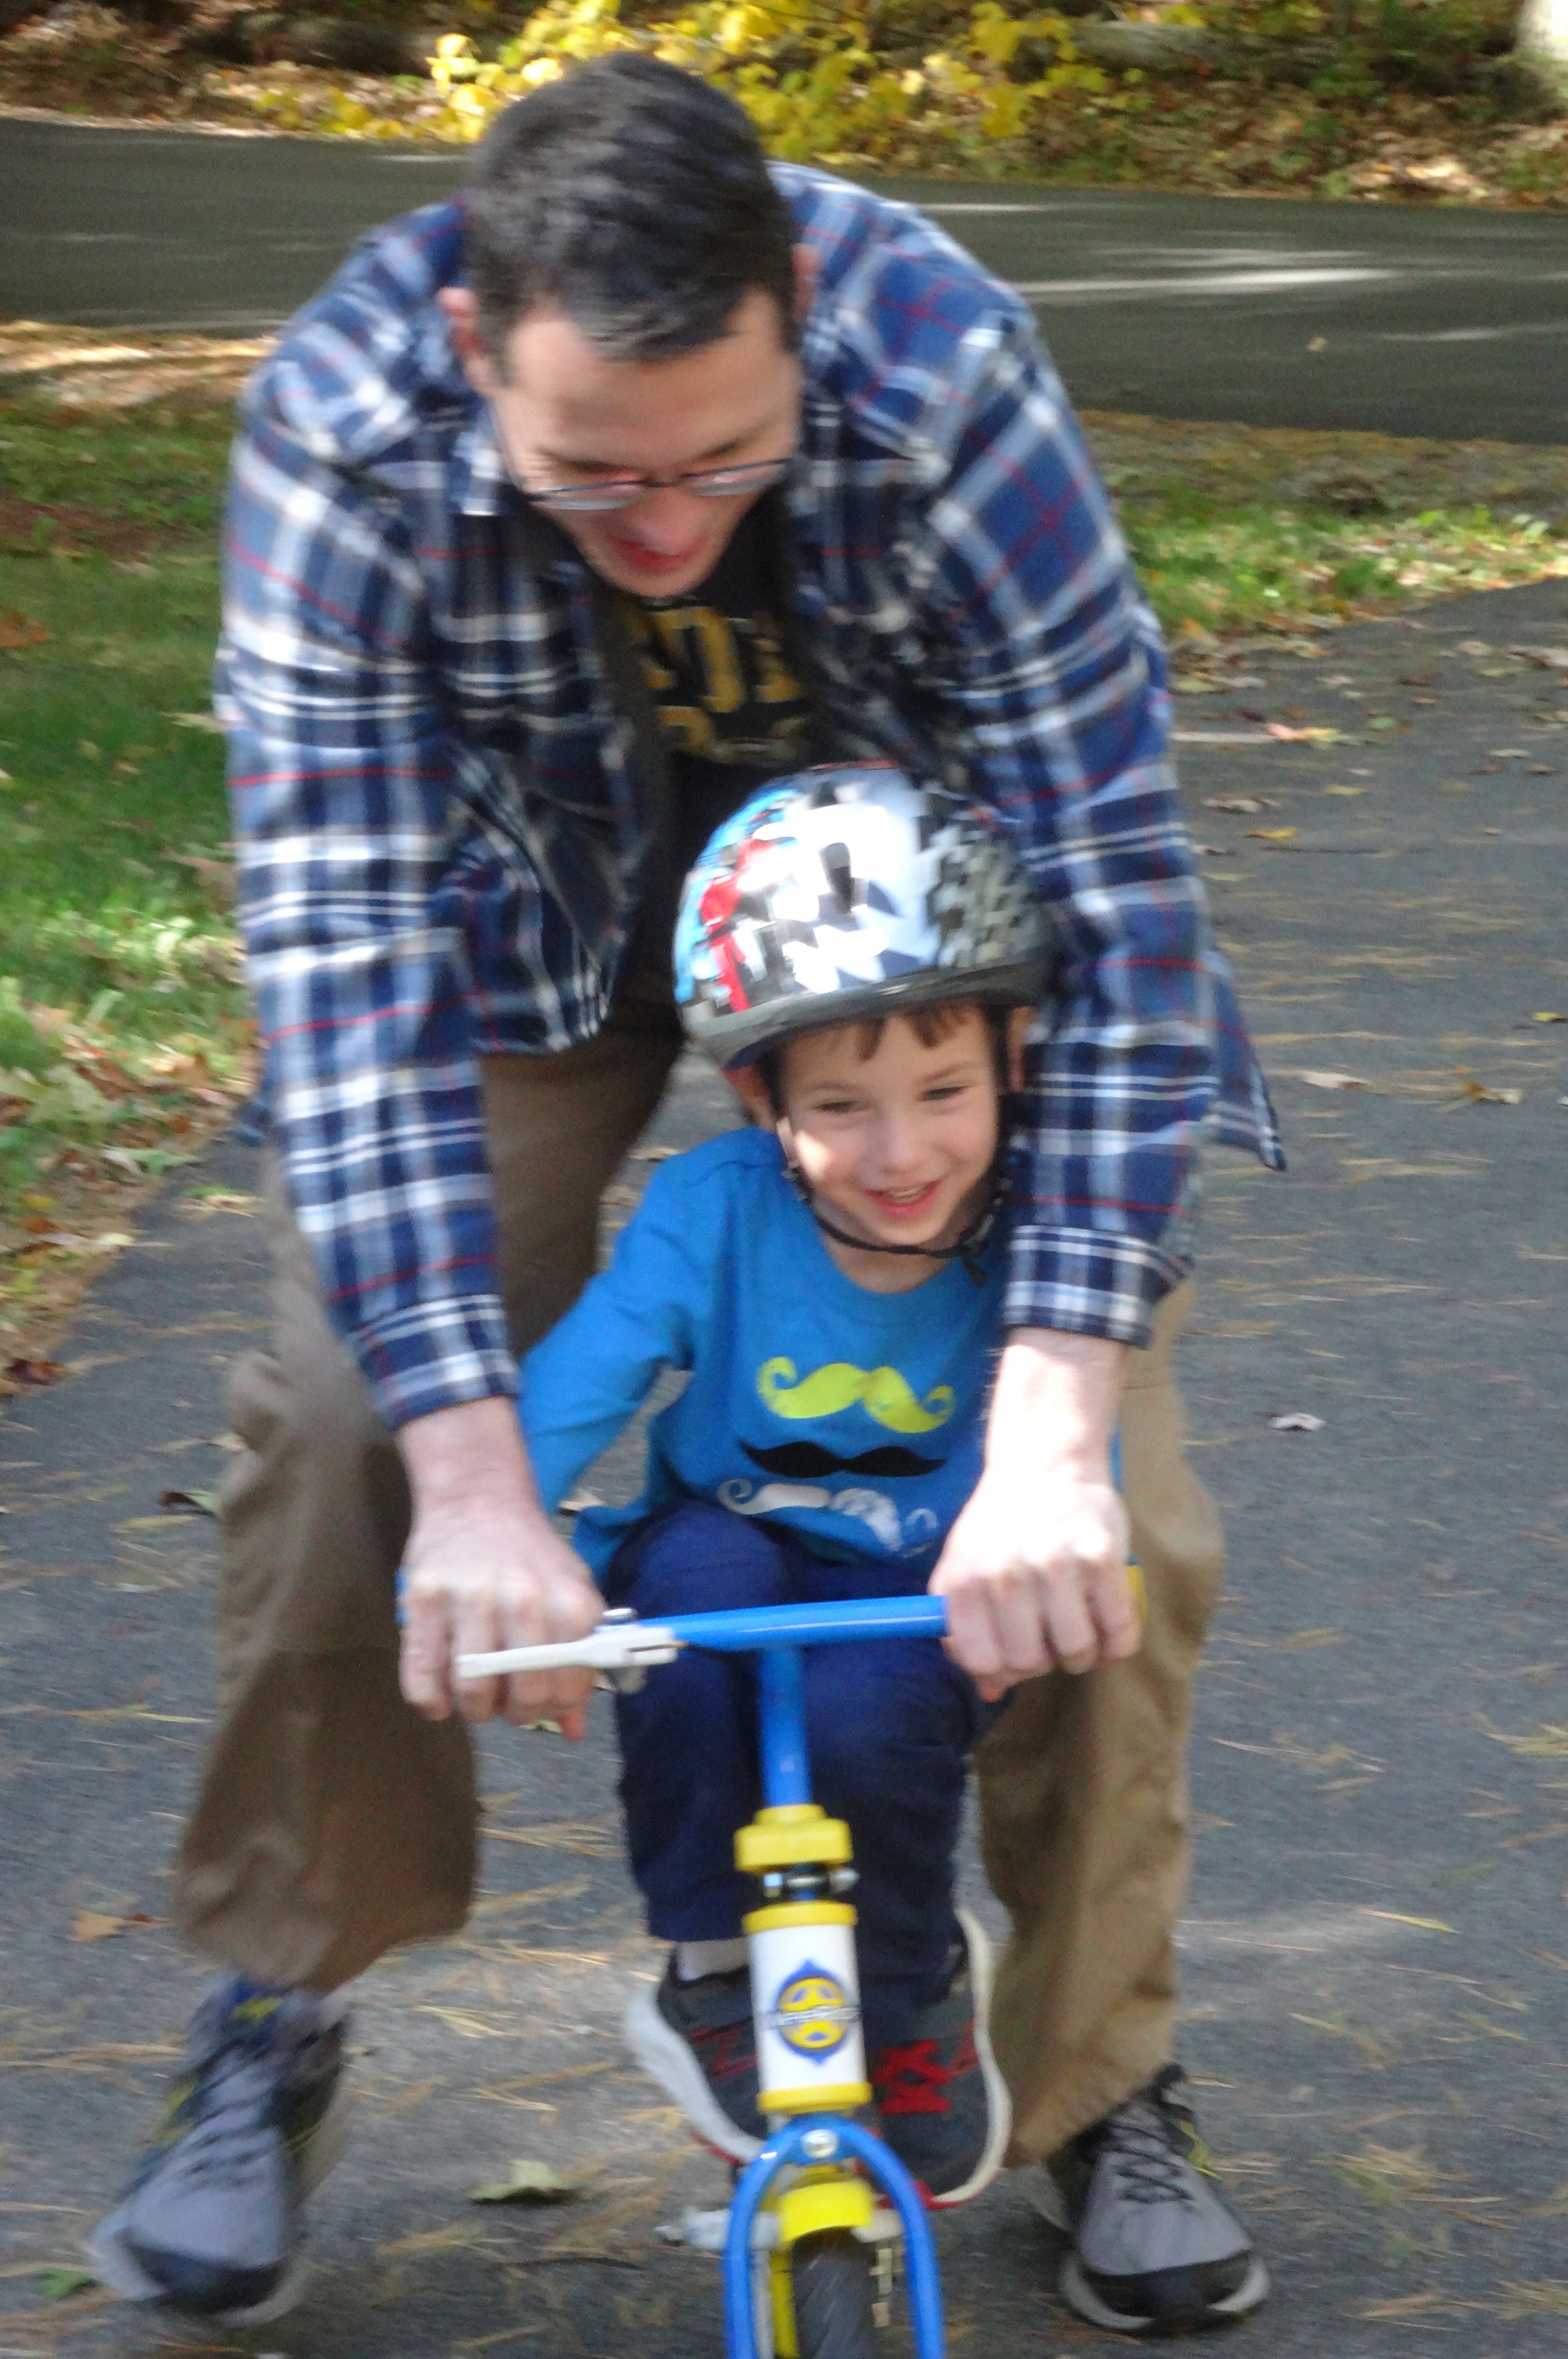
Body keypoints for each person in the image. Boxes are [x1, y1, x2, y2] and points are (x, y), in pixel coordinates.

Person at [88, 53, 1282, 2339]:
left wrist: (1044, 1429)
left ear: (798, 316)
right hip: (525, 932)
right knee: (352, 1425)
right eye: (592, 475)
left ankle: (1095, 2076)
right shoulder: (345, 427)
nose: (663, 527)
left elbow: (1119, 906)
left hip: (917, 964)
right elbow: (343, 959)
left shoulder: (944, 378)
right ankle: (284, 2000)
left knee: (1104, 1518)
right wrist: (477, 1483)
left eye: (724, 460)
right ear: (474, 352)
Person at [520, 768, 1049, 2211]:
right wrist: (493, 1548)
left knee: (873, 1716)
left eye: (945, 1091)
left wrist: (1068, 1547)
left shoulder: (1036, 1226)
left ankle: (909, 1987)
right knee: (689, 1633)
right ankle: (711, 1966)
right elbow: (582, 1383)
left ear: (1012, 1057)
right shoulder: (714, 1208)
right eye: (839, 1105)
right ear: (761, 1098)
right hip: (727, 1539)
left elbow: (1072, 1426)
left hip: (920, 1574)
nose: (902, 1153)